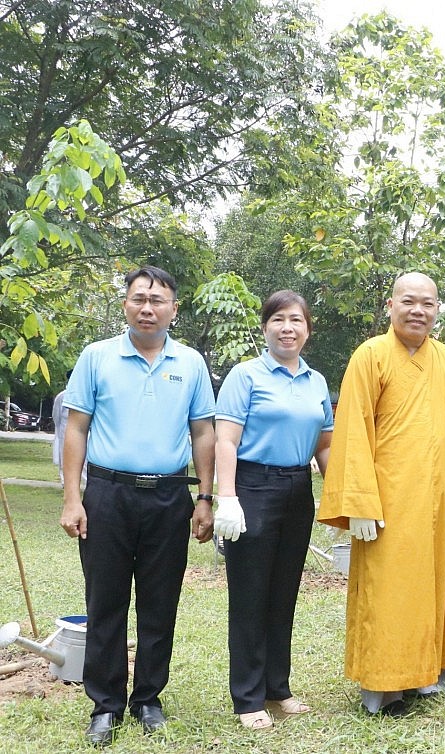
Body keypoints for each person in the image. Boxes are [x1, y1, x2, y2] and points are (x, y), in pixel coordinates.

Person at [316, 272, 445, 717]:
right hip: (387, 503)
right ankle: (384, 689)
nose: (418, 310)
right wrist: (358, 502)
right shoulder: (371, 355)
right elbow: (353, 429)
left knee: (433, 587)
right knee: (388, 592)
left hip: (436, 504)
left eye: (428, 304)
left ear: (438, 310)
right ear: (391, 305)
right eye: (409, 302)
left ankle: (429, 676)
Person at [59, 266, 216, 747]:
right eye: (139, 298)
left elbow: (204, 432)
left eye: (158, 300)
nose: (148, 308)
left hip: (170, 497)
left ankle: (148, 698)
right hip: (107, 495)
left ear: (173, 308)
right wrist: (72, 497)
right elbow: (77, 428)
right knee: (104, 601)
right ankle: (105, 705)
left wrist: (205, 497)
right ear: (125, 303)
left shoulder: (190, 363)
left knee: (159, 602)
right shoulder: (97, 357)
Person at [213, 291, 334, 729]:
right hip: (253, 485)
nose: (288, 327)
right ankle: (247, 698)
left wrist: (339, 496)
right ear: (265, 327)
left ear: (307, 329)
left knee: (284, 594)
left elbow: (324, 445)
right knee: (250, 596)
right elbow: (226, 439)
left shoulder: (316, 381)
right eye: (279, 319)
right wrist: (227, 496)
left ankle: (276, 688)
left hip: (296, 488)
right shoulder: (246, 375)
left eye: (296, 320)